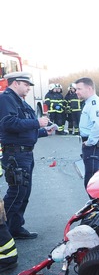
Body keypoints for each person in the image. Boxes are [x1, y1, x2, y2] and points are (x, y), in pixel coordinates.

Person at [0, 72, 54, 240]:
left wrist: (44, 131)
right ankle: (4, 232)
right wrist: (37, 122)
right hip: (15, 153)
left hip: (24, 153)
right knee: (16, 192)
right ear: (15, 83)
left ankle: (15, 228)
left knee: (24, 192)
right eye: (26, 84)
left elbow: (25, 130)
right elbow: (8, 124)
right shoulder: (6, 99)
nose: (29, 88)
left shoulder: (20, 102)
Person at [75, 77, 99, 189]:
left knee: (92, 183)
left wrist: (90, 142)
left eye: (79, 89)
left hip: (95, 146)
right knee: (92, 180)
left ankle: (97, 206)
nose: (76, 92)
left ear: (89, 88)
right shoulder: (89, 103)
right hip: (94, 145)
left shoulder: (94, 104)